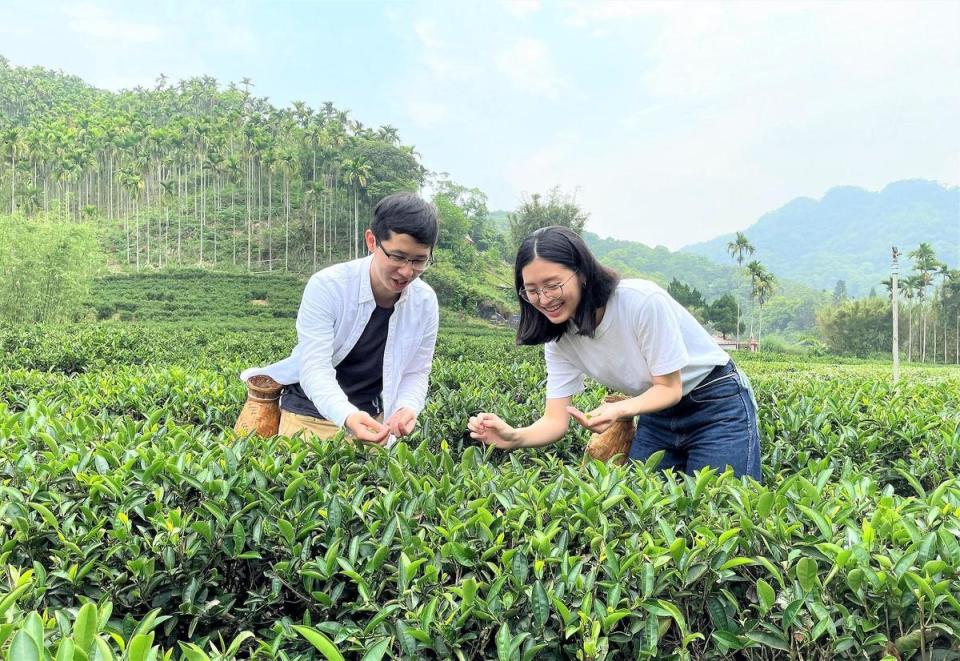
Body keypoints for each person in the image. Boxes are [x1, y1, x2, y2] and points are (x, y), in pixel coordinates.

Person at [467, 226, 761, 479]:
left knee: (719, 511)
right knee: (647, 511)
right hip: (655, 412)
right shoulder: (558, 340)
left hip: (716, 403)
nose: (543, 299)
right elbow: (555, 421)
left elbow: (670, 388)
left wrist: (619, 409)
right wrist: (514, 436)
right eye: (531, 290)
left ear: (581, 274)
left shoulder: (641, 302)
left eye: (553, 285)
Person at [241, 192, 440, 445]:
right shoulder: (328, 286)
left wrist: (407, 407)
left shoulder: (424, 301)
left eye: (420, 260)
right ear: (371, 240)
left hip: (373, 423)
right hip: (308, 418)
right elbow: (314, 367)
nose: (407, 271)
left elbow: (417, 370)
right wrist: (347, 416)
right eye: (398, 257)